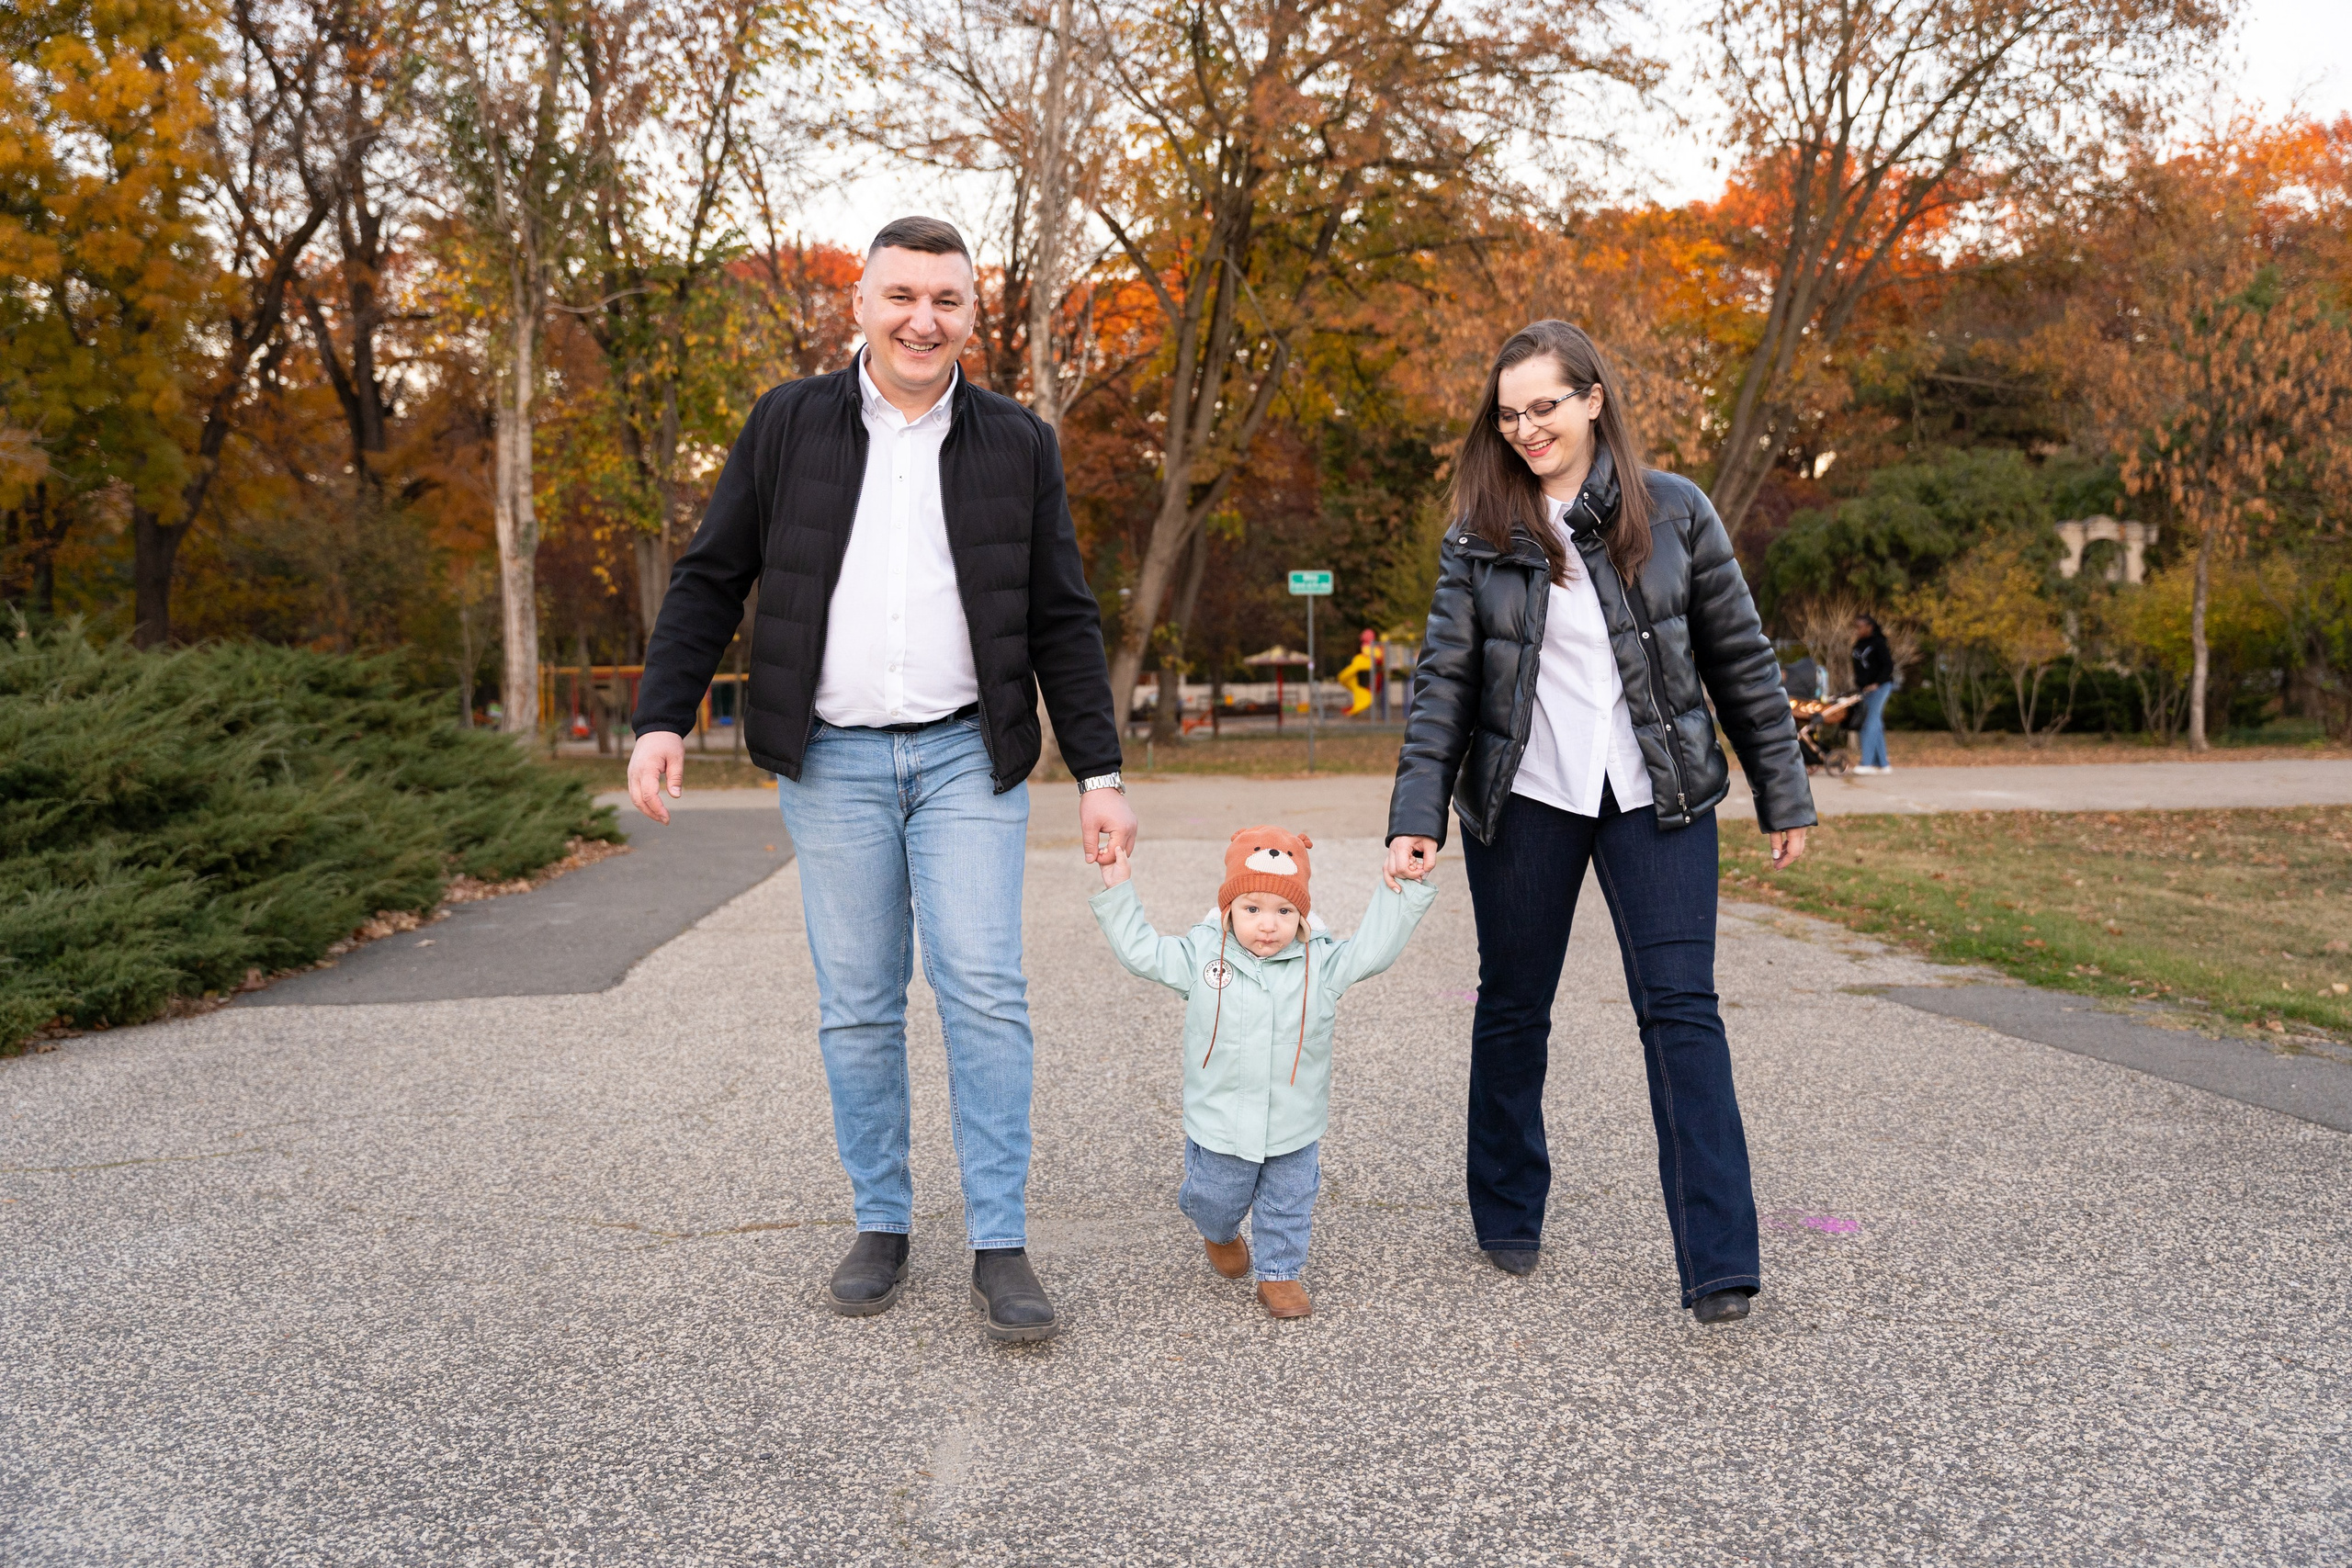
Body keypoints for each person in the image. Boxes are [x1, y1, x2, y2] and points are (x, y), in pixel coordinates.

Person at [626, 217, 1136, 1344]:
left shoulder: (1017, 443)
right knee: (858, 1002)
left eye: (945, 300)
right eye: (900, 295)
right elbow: (711, 576)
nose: (922, 319)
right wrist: (663, 716)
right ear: (858, 303)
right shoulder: (787, 424)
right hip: (833, 761)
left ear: (971, 314)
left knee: (984, 991)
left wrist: (1099, 771)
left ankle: (999, 1238)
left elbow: (1062, 616)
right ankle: (881, 1221)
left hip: (968, 758)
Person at [1384, 320, 1816, 1325]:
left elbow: (1741, 660)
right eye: (1508, 415)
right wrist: (1417, 813)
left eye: (1544, 406)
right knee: (1513, 1005)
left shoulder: (1676, 512)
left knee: (1682, 1010)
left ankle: (1719, 1261)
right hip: (1526, 797)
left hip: (1656, 799)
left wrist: (1782, 790)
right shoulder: (1480, 533)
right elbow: (1444, 681)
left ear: (1592, 400)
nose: (1526, 429)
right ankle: (1505, 1207)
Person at [1089, 827, 1436, 1319]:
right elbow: (1141, 951)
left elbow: (1373, 949)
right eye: (1252, 909)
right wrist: (1118, 888)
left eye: (1284, 912)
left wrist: (1406, 889)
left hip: (1293, 1121)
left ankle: (1280, 1273)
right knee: (1215, 1198)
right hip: (1222, 1121)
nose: (1268, 925)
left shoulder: (1320, 964)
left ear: (1302, 916)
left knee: (1289, 1201)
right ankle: (1218, 1232)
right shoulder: (1201, 957)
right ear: (1229, 910)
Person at [1850, 614, 1896, 773]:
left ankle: (1866, 763)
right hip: (1865, 689)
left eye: (1859, 627)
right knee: (1875, 722)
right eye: (1855, 627)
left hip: (1880, 687)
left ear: (1869, 627)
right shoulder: (1858, 645)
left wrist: (1877, 683)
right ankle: (1883, 764)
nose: (1857, 630)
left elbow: (1888, 665)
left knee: (1869, 721)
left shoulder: (1879, 643)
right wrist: (1861, 685)